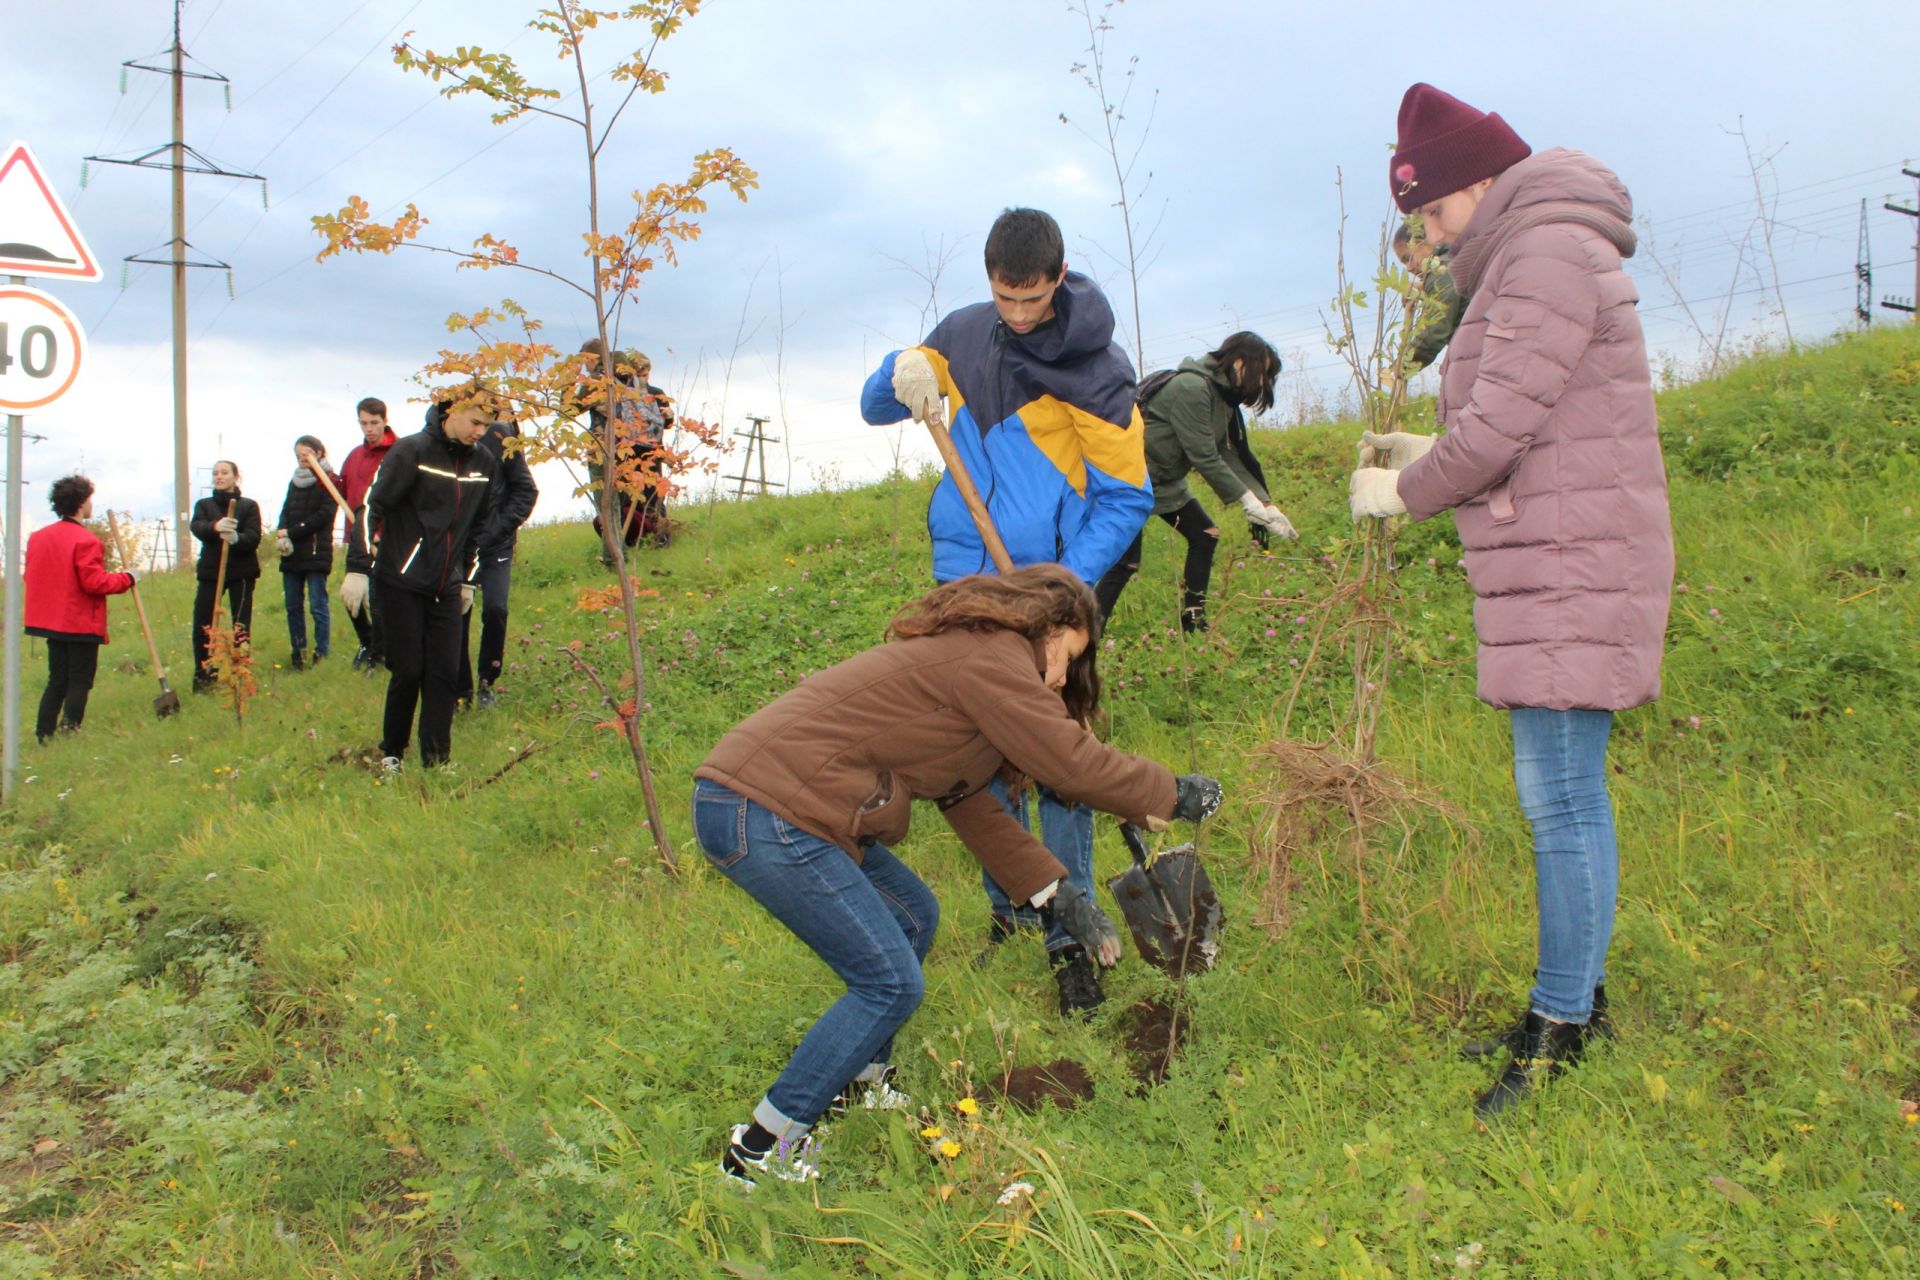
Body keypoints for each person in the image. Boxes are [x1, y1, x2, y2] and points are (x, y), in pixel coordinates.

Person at [1350, 83, 1675, 1118]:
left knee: (1562, 796)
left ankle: (1560, 1024)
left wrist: (1404, 487)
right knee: (1566, 791)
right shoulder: (1537, 253)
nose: (1435, 241)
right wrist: (1421, 450)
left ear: (1476, 185)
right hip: (1562, 553)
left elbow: (1495, 436)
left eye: (1435, 216)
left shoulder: (1538, 255)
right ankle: (1576, 995)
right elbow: (1517, 416)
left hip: (1574, 562)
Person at [693, 566, 1222, 1186]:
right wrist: (1170, 790)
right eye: (1065, 658)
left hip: (786, 808)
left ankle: (860, 1082)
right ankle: (761, 1148)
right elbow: (1072, 764)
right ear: (1047, 627)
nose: (1058, 679)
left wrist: (1057, 893)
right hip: (769, 811)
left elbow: (967, 801)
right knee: (888, 983)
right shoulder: (990, 657)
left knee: (914, 914)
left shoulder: (970, 670)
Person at [859, 206, 1153, 1017]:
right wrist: (903, 369)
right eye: (1004, 298)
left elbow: (1129, 499)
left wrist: (1061, 599)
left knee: (1055, 763)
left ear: (1059, 278)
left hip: (1044, 598)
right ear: (989, 281)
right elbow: (874, 405)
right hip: (961, 583)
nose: (1017, 315)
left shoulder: (1099, 374)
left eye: (1031, 300)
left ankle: (1071, 941)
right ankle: (1014, 909)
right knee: (975, 757)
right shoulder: (962, 334)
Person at [1093, 332, 1299, 632]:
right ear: (1239, 362)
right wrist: (1247, 502)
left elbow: (1226, 452)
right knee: (1125, 562)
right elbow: (1204, 456)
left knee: (1205, 535)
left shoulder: (1223, 396)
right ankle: (1088, 630)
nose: (1262, 381)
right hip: (1132, 478)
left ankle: (1193, 620)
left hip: (1165, 481)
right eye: (1261, 371)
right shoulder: (1192, 388)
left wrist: (1266, 504)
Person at [343, 390, 498, 770]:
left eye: (487, 425)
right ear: (453, 412)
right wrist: (358, 569)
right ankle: (392, 753)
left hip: (447, 585)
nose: (481, 432)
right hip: (400, 582)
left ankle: (437, 761)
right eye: (475, 422)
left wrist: (468, 581)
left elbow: (479, 527)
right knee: (408, 670)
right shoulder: (411, 452)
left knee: (444, 673)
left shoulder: (483, 463)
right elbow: (370, 507)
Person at [24, 475, 136, 742]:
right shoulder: (85, 541)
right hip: (79, 620)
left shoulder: (38, 537)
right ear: (81, 502)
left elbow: (32, 576)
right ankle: (70, 731)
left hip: (51, 621)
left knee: (57, 679)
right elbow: (94, 583)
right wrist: (128, 578)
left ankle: (44, 734)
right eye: (89, 499)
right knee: (80, 681)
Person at [455, 415, 538, 708]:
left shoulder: (502, 437)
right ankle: (460, 690)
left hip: (496, 543)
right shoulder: (449, 438)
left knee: (496, 609)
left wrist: (497, 528)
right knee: (456, 614)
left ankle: (488, 681)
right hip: (459, 545)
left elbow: (526, 491)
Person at [188, 460, 261, 692]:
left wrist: (237, 539)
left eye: (224, 473)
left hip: (241, 571)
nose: (219, 477)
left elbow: (253, 537)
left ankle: (241, 672)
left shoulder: (248, 506)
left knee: (240, 624)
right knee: (204, 623)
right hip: (211, 571)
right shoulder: (204, 505)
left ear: (235, 477)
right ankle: (204, 674)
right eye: (215, 473)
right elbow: (196, 526)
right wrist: (215, 527)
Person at [274, 436, 344, 671]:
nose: (301, 460)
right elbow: (286, 509)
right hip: (292, 554)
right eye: (298, 456)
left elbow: (324, 515)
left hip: (315, 551)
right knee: (293, 605)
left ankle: (321, 653)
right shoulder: (294, 482)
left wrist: (293, 532)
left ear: (319, 453)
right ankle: (298, 652)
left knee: (317, 605)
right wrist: (282, 533)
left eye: (305, 454)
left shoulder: (329, 480)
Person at [339, 397, 398, 671]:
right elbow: (342, 491)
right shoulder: (354, 456)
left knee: (378, 600)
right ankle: (367, 643)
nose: (369, 429)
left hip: (386, 537)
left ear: (385, 420)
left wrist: (380, 532)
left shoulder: (398, 453)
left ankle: (380, 656)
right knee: (351, 597)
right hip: (356, 537)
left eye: (374, 423)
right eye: (364, 423)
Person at [1392, 222, 1465, 372]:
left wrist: (1402, 366)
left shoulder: (1441, 275)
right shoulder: (1457, 260)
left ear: (1424, 244)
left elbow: (1434, 331)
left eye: (1409, 257)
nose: (1409, 268)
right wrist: (1422, 289)